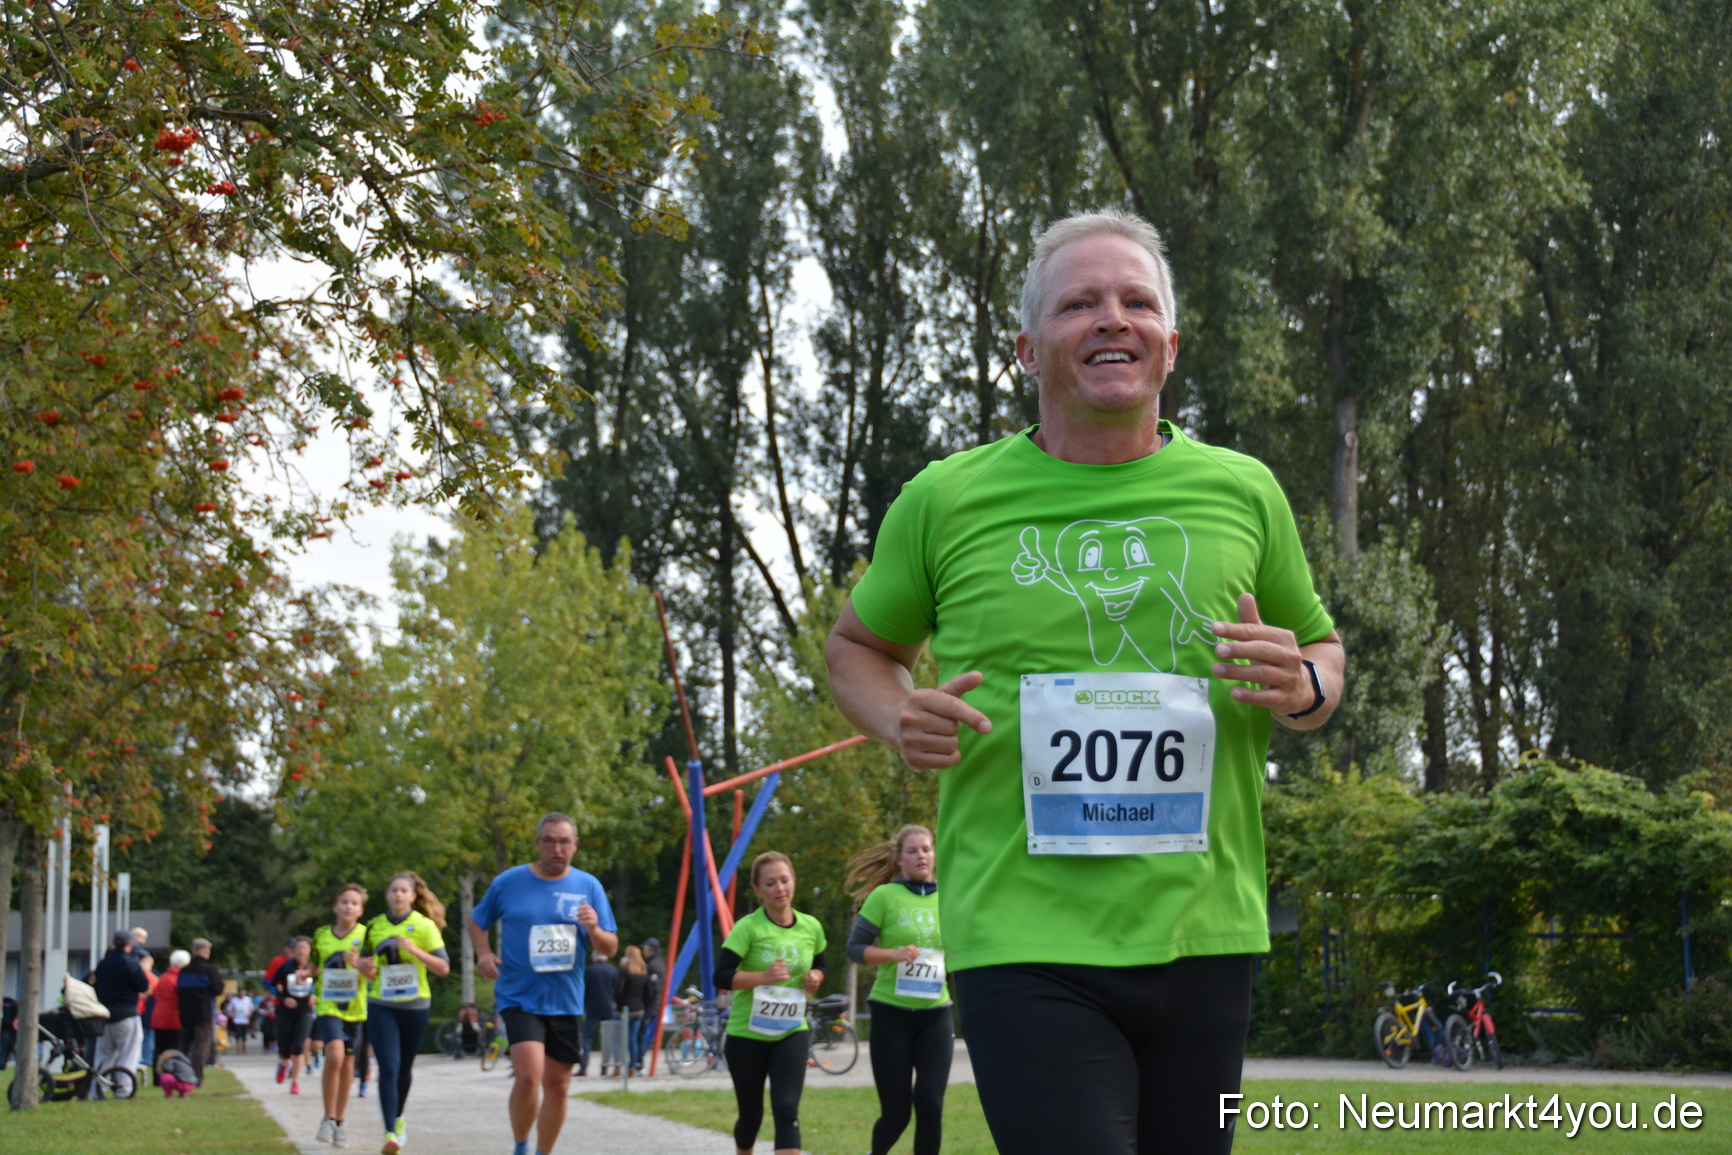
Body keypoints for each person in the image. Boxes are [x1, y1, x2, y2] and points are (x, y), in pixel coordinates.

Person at [823, 208, 1345, 1155]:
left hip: (1206, 930)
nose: (1112, 317)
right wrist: (902, 718)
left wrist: (1305, 682)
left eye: (1136, 300)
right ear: (1028, 348)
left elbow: (1323, 651)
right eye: (1079, 303)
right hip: (1024, 936)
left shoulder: (1243, 491)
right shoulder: (948, 499)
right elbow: (857, 645)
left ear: (1170, 344)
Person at [467, 812, 618, 1155]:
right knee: (529, 1077)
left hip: (565, 999)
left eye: (564, 841)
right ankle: (521, 1144)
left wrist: (594, 929)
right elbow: (477, 921)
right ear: (537, 843)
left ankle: (542, 1152)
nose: (556, 848)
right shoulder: (509, 882)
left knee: (559, 1086)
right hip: (518, 995)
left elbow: (610, 946)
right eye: (549, 840)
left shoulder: (588, 886)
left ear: (575, 845)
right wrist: (484, 954)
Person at [846, 825, 950, 1155]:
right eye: (913, 850)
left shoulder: (950, 895)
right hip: (892, 1014)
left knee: (931, 1103)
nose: (921, 855)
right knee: (897, 1114)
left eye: (926, 849)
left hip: (936, 1014)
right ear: (899, 858)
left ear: (934, 854)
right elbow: (855, 948)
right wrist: (893, 954)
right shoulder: (884, 897)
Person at [715, 851, 827, 1155]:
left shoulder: (811, 927)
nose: (780, 888)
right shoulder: (748, 928)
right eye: (771, 883)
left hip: (791, 1031)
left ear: (793, 882)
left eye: (784, 880)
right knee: (751, 1117)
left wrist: (815, 977)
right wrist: (762, 976)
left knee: (787, 1110)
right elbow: (721, 976)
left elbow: (820, 965)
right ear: (758, 891)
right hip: (746, 1036)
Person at [364, 871, 452, 1155]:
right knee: (387, 1068)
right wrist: (363, 967)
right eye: (394, 890)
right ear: (387, 895)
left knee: (403, 1069)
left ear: (413, 896)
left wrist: (415, 950)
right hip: (381, 1004)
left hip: (415, 1005)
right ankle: (390, 1131)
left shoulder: (425, 926)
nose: (398, 895)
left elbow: (443, 968)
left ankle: (398, 1119)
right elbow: (366, 968)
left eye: (404, 891)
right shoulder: (374, 926)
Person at [313, 883, 375, 1148]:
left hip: (356, 1007)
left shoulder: (367, 935)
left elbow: (372, 973)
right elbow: (315, 966)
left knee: (349, 1064)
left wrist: (358, 964)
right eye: (344, 902)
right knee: (334, 1055)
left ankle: (339, 1120)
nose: (349, 906)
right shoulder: (321, 935)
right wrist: (306, 973)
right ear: (335, 906)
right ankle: (327, 1116)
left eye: (354, 903)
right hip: (328, 1005)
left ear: (360, 910)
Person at [91, 929, 151, 1095]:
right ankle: (124, 1090)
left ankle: (98, 1090)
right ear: (130, 944)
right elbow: (143, 985)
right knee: (128, 1054)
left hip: (105, 1015)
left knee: (103, 1055)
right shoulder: (130, 962)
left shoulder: (104, 963)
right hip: (126, 1014)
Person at [271, 935, 318, 1094]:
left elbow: (322, 983)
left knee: (299, 1046)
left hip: (304, 1011)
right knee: (285, 1044)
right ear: (294, 951)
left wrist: (315, 994)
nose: (301, 951)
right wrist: (283, 999)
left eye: (304, 948)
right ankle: (284, 1064)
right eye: (298, 948)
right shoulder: (286, 966)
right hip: (287, 1011)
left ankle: (295, 1082)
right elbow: (271, 984)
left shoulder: (315, 968)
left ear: (310, 951)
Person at [177, 938, 224, 1081]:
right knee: (201, 1046)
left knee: (184, 1045)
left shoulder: (184, 971)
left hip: (185, 1013)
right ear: (205, 951)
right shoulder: (209, 969)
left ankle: (181, 1073)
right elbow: (218, 988)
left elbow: (178, 990)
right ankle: (197, 1077)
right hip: (203, 1013)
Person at [579, 949, 619, 1076]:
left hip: (592, 1008)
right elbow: (618, 990)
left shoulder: (588, 971)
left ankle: (584, 1067)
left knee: (587, 1039)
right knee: (608, 1038)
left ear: (593, 957)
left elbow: (583, 990)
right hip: (609, 1008)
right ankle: (605, 1067)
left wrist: (584, 1006)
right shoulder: (614, 971)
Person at [614, 945, 651, 1074]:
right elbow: (648, 992)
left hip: (623, 1009)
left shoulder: (625, 970)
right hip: (638, 1009)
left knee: (619, 1039)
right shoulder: (643, 971)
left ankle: (618, 1066)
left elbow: (619, 990)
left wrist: (616, 1000)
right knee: (633, 1039)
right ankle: (632, 1066)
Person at [153, 950, 187, 1057]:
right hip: (174, 1018)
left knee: (159, 1049)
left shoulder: (162, 977)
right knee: (174, 1049)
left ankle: (158, 1073)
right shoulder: (180, 979)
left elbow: (156, 994)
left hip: (159, 1017)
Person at [639, 937, 665, 1061]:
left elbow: (653, 987)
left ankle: (639, 1059)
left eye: (645, 948)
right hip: (654, 1003)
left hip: (650, 1004)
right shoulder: (658, 962)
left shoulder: (653, 965)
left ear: (651, 950)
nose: (644, 950)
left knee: (643, 1033)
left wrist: (647, 999)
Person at [226, 987, 256, 1054]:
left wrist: (249, 1014)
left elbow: (252, 1008)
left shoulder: (248, 999)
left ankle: (244, 1047)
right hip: (237, 1020)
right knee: (237, 1035)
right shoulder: (234, 1000)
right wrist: (232, 1014)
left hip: (245, 1020)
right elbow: (229, 1009)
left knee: (244, 1034)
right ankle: (238, 1048)